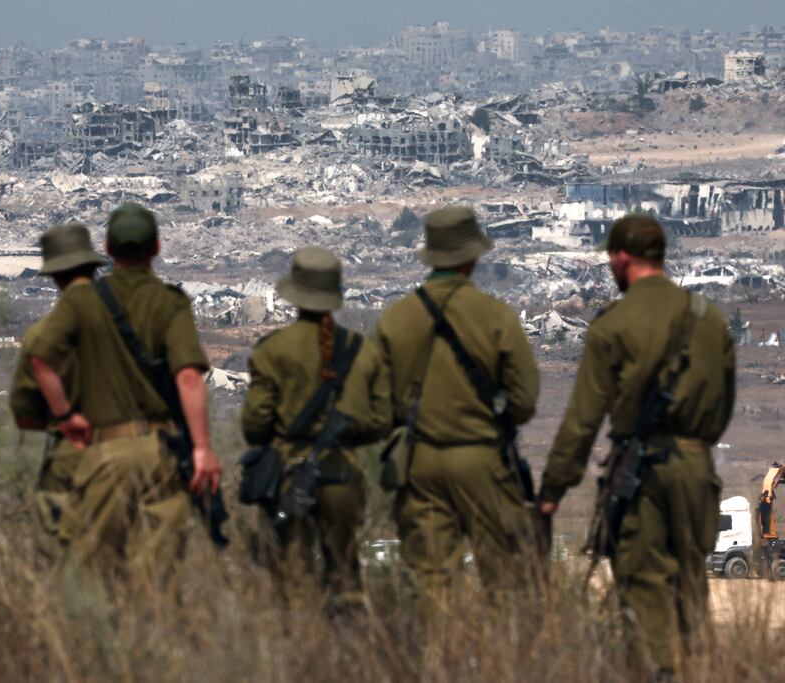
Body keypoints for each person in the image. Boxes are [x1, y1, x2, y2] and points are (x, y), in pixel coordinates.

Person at [538, 214, 734, 677]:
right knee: (691, 588)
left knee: (643, 597)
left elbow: (582, 421)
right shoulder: (709, 319)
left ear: (622, 259)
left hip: (642, 477)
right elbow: (723, 405)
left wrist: (551, 493)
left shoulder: (613, 326)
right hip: (696, 472)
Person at [26, 203, 221, 583]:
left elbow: (41, 359)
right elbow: (189, 378)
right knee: (159, 580)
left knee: (95, 577)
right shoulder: (170, 302)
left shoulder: (83, 301)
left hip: (104, 453)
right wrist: (202, 448)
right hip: (162, 453)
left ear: (107, 249)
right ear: (157, 247)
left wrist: (65, 417)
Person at [373, 206, 539, 600]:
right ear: (472, 257)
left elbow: (378, 405)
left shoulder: (395, 320)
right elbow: (525, 401)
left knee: (430, 584)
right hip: (483, 460)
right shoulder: (496, 316)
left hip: (420, 463)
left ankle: (437, 656)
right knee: (505, 581)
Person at [241, 246, 390, 613]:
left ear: (294, 295)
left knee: (289, 588)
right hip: (342, 478)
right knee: (345, 579)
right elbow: (382, 420)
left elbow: (254, 424)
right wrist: (345, 433)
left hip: (290, 481)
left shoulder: (272, 351)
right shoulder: (362, 350)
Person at [10, 223, 105, 563]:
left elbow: (24, 413)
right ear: (94, 267)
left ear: (55, 276)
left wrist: (63, 419)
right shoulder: (133, 322)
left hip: (72, 458)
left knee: (60, 562)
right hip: (137, 452)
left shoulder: (43, 334)